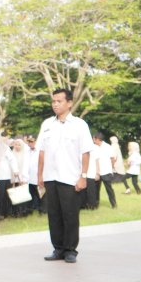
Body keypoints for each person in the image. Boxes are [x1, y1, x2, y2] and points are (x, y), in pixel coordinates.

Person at [37, 88, 93, 264]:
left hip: (70, 177)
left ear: (69, 103)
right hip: (50, 177)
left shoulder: (79, 125)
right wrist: (40, 175)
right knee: (54, 214)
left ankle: (70, 250)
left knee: (70, 214)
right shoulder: (47, 124)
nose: (55, 104)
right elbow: (42, 152)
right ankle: (58, 248)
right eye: (53, 101)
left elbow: (85, 152)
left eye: (59, 101)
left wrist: (83, 176)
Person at [93, 132, 117, 209]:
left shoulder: (107, 147)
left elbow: (113, 158)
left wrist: (111, 167)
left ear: (97, 139)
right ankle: (96, 205)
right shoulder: (94, 147)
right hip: (97, 172)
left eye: (94, 139)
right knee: (96, 190)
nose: (93, 140)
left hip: (106, 171)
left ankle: (113, 204)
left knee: (109, 189)